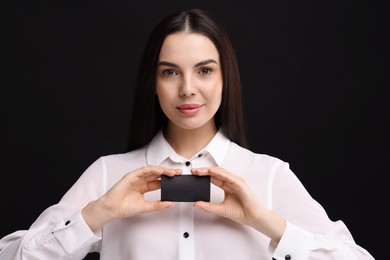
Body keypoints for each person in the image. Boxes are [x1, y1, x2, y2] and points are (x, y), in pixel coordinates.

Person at [0, 8, 374, 260]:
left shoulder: (269, 175)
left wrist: (268, 223)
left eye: (205, 71)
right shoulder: (107, 174)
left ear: (226, 79)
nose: (188, 89)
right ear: (153, 83)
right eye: (170, 72)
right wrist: (98, 214)